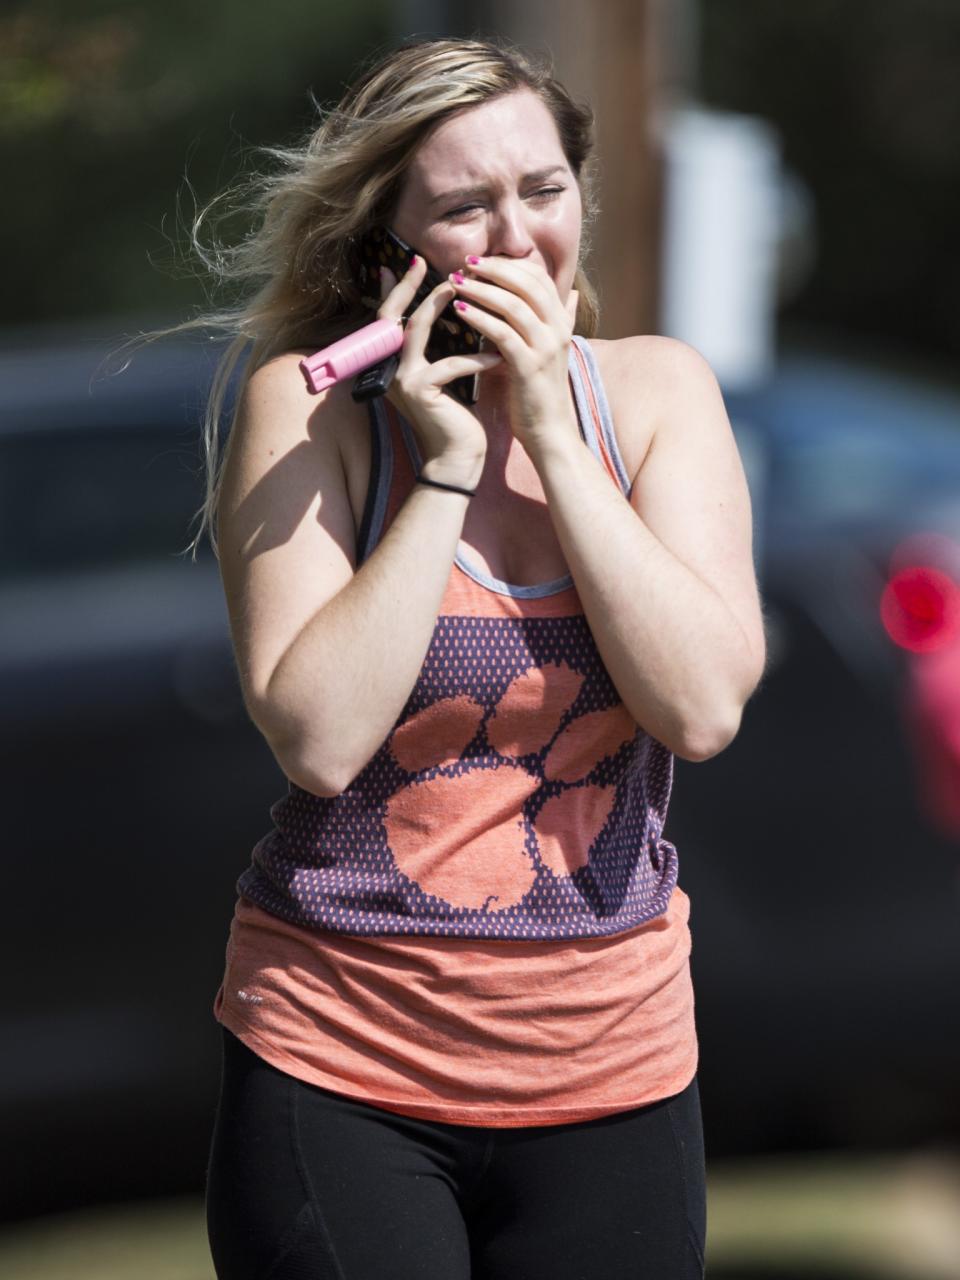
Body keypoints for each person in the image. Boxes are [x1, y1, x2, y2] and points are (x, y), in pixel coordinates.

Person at [194, 35, 766, 1280]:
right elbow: (321, 736)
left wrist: (559, 438)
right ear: (394, 246)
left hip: (613, 1060)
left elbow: (704, 705)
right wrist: (446, 467)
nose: (515, 237)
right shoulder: (310, 412)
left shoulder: (661, 396)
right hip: (342, 1056)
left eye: (543, 190)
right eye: (464, 206)